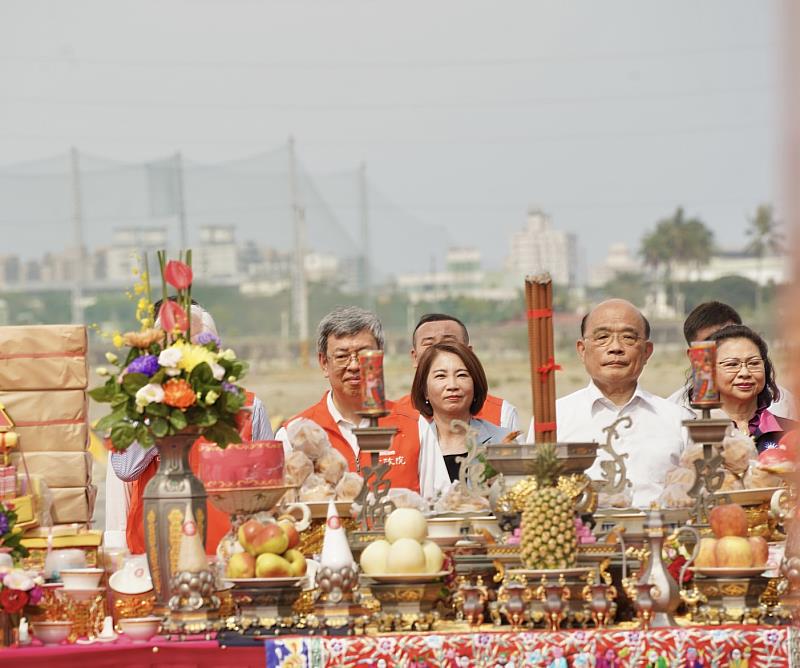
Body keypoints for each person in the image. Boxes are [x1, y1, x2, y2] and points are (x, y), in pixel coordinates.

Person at [109, 301, 273, 554]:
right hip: (157, 551)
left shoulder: (248, 406)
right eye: (176, 348)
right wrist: (162, 407)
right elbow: (125, 469)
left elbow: (270, 488)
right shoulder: (143, 403)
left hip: (231, 555)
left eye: (194, 347)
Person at [527, 299, 691, 508]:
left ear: (647, 351)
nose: (615, 348)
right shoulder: (553, 419)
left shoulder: (678, 419)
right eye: (602, 337)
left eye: (628, 338)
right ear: (582, 349)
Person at [275, 306, 422, 491]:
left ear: (379, 357)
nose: (353, 365)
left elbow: (438, 502)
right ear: (323, 363)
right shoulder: (294, 436)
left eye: (363, 354)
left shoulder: (416, 426)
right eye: (342, 356)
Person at [667, 301, 796, 419]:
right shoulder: (674, 411)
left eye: (732, 335)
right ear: (693, 356)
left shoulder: (784, 405)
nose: (724, 345)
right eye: (712, 342)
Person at [393, 313, 520, 433]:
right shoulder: (394, 416)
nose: (440, 352)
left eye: (449, 343)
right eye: (429, 344)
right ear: (414, 357)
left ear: (469, 353)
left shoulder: (501, 413)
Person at [411, 341, 509, 489]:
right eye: (441, 376)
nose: (452, 386)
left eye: (462, 375)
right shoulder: (415, 445)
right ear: (424, 390)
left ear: (476, 385)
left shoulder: (502, 441)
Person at [702, 324, 796, 451]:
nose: (745, 373)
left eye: (754, 363)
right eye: (732, 364)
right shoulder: (695, 433)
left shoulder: (792, 432)